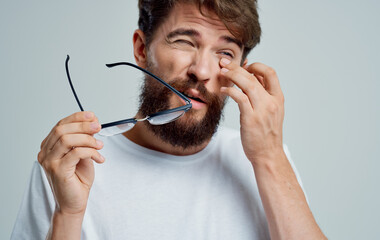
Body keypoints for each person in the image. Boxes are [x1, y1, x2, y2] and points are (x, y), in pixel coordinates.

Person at [12, 0, 326, 239]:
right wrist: (68, 214)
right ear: (141, 48)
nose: (202, 70)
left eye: (225, 53)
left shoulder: (268, 162)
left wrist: (270, 157)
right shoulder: (68, 166)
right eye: (185, 41)